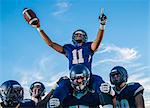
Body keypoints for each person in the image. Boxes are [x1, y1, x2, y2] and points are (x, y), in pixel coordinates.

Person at [26, 8, 107, 103]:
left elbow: (97, 42)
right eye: (77, 34)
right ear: (73, 37)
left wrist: (102, 26)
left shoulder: (88, 46)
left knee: (101, 85)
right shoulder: (68, 48)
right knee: (62, 85)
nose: (79, 35)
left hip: (88, 77)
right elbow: (51, 44)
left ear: (85, 37)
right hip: (73, 79)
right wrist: (38, 28)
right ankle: (54, 104)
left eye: (81, 34)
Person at [49, 64, 113, 108]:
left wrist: (111, 92)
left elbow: (107, 97)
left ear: (87, 78)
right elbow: (60, 91)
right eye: (76, 79)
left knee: (104, 90)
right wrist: (52, 101)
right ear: (71, 79)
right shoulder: (65, 92)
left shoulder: (93, 93)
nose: (79, 82)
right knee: (54, 102)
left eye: (82, 78)